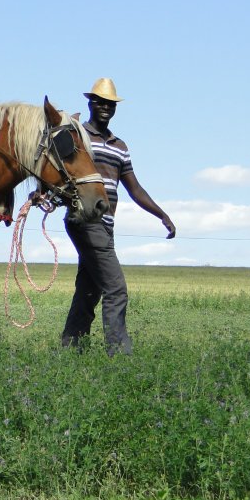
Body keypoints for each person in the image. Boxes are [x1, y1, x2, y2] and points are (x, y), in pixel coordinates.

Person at [62, 78, 176, 356]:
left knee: (89, 290)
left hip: (106, 223)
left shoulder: (120, 146)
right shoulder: (79, 135)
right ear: (90, 103)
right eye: (100, 102)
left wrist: (161, 214)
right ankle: (119, 357)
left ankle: (70, 351)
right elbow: (58, 166)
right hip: (86, 219)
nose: (105, 107)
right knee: (116, 289)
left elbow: (134, 187)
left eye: (110, 104)